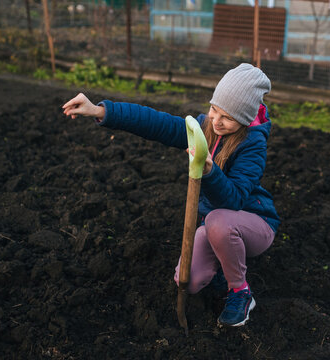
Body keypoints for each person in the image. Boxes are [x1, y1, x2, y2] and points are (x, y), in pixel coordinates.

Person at [62, 63, 280, 327]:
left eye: (228, 117)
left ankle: (240, 292)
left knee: (218, 222)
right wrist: (100, 109)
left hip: (253, 222)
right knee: (188, 280)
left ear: (244, 119)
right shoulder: (205, 127)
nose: (216, 121)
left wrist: (210, 172)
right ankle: (224, 265)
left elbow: (233, 201)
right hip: (215, 223)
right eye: (214, 109)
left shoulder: (253, 146)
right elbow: (155, 122)